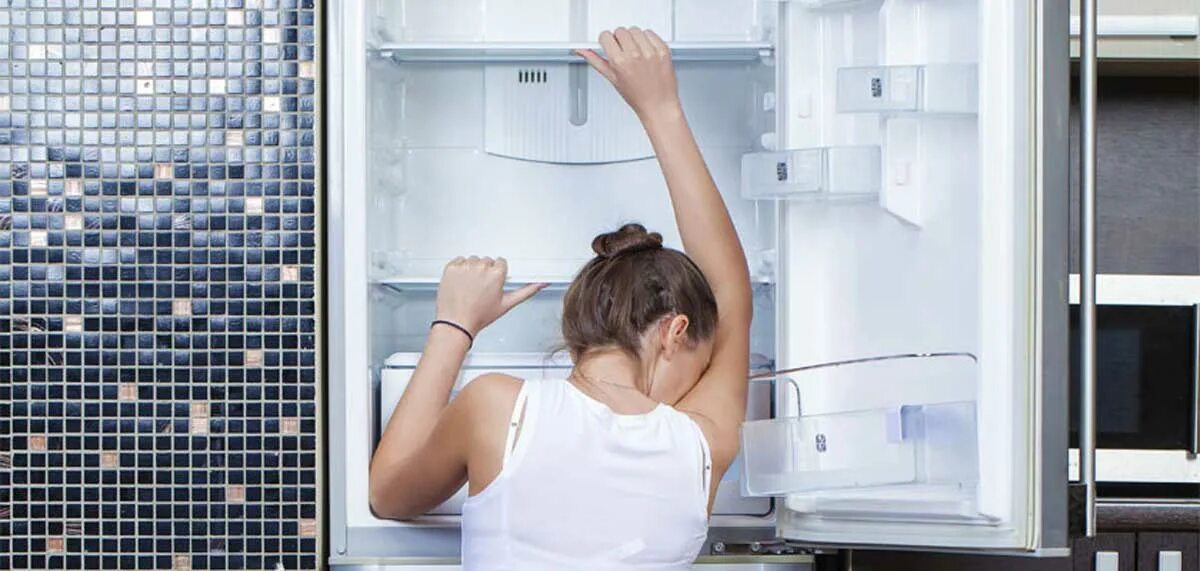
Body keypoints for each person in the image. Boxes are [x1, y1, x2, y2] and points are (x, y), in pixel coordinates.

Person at [369, 26, 752, 569]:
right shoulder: (701, 449)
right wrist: (661, 111)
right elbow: (731, 295)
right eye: (700, 365)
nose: (690, 390)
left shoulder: (497, 408)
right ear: (676, 331)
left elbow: (389, 494)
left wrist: (455, 326)